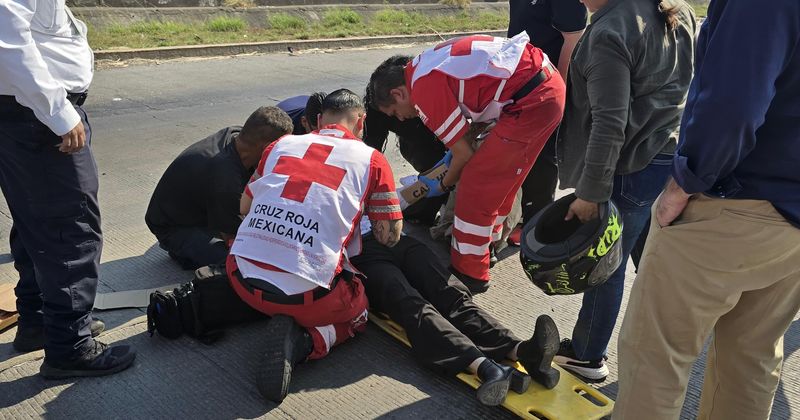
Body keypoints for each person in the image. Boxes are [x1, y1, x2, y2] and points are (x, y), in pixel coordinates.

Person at [614, 0, 800, 418]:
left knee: (655, 357)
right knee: (751, 358)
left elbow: (733, 103)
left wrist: (687, 180)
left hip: (733, 202)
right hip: (790, 217)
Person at [226, 88, 404, 403]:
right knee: (359, 311)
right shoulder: (371, 159)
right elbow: (389, 237)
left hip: (242, 279)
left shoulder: (281, 145)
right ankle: (306, 343)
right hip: (310, 300)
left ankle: (281, 314)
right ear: (360, 123)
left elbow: (244, 207)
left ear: (319, 120)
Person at [553, 0, 696, 383]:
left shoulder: (609, 32)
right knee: (654, 261)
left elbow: (609, 124)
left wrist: (591, 193)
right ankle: (669, 347)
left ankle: (587, 356)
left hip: (629, 167)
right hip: (667, 156)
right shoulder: (677, 8)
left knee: (606, 266)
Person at [369, 33, 566, 294]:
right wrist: (455, 155)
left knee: (476, 187)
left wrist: (443, 184)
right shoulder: (424, 66)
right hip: (543, 88)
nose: (401, 119)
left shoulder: (423, 90)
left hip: (530, 101)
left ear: (397, 93)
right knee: (502, 183)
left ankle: (471, 273)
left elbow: (464, 156)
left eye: (395, 112)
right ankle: (489, 246)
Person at [0, 0, 136, 377]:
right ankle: (70, 346)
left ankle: (39, 322)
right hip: (37, 116)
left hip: (27, 111)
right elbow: (7, 38)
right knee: (70, 228)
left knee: (35, 222)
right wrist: (58, 112)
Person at [351, 230, 561, 406]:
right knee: (411, 303)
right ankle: (485, 367)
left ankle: (521, 351)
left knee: (450, 292)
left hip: (397, 238)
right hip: (359, 253)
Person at [145, 107, 294, 270]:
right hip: (173, 228)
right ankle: (181, 251)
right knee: (240, 262)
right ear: (267, 148)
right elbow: (233, 235)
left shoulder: (235, 135)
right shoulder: (224, 177)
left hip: (200, 209)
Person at [507, 0, 587, 236]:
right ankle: (518, 215)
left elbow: (573, 39)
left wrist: (558, 89)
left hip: (547, 81)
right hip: (519, 76)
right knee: (518, 150)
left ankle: (534, 224)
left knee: (542, 155)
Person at [363, 84, 449, 226]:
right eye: (394, 114)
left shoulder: (427, 91)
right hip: (419, 146)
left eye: (396, 112)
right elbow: (371, 154)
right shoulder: (380, 109)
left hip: (440, 138)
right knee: (437, 174)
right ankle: (420, 213)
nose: (401, 118)